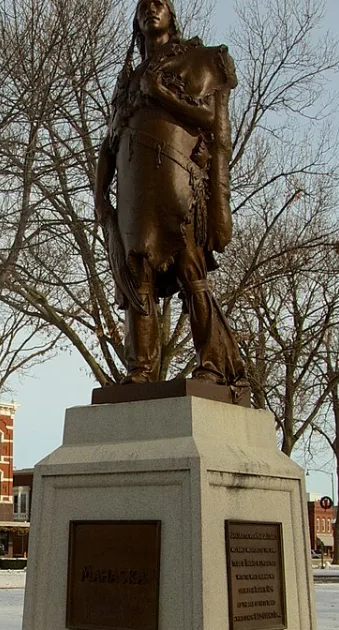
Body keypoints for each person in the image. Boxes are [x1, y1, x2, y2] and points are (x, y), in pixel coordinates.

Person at [94, 0, 246, 386]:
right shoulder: (127, 79)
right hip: (133, 193)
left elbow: (214, 122)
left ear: (172, 14)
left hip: (180, 189)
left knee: (189, 268)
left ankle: (212, 363)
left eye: (159, 3)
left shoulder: (198, 60)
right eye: (143, 5)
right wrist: (100, 197)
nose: (151, 9)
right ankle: (140, 369)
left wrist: (161, 93)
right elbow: (109, 143)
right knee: (136, 273)